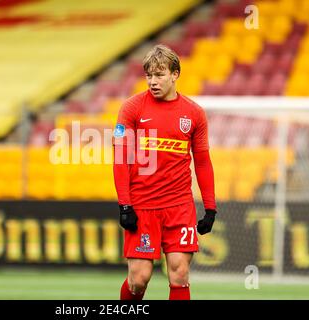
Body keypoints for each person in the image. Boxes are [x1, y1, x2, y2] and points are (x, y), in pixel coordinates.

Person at [112, 44, 217, 300]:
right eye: (149, 75)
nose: (152, 81)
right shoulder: (131, 108)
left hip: (179, 206)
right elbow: (120, 159)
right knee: (138, 280)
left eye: (159, 75)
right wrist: (125, 205)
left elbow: (202, 161)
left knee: (179, 274)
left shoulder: (194, 114)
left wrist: (210, 207)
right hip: (143, 205)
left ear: (175, 74)